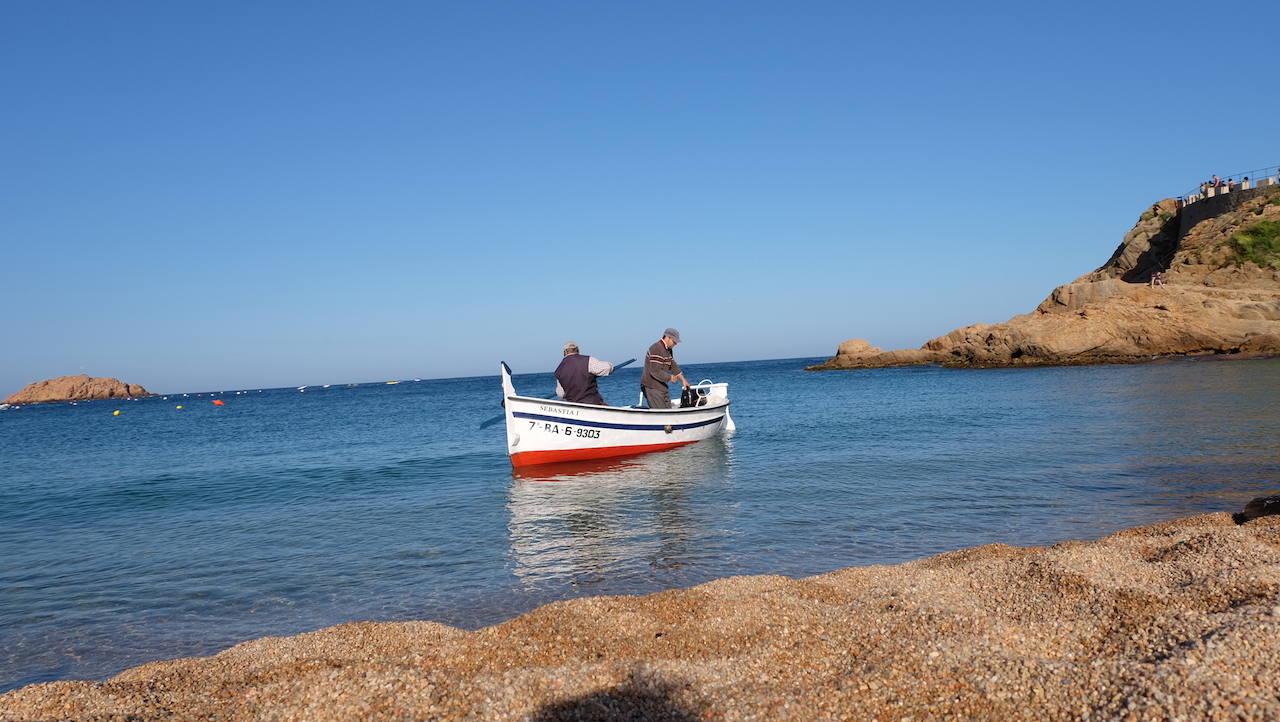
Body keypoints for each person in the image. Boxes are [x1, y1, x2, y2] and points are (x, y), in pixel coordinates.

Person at [640, 328, 689, 409]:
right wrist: (670, 377)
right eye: (674, 341)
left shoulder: (668, 350)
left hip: (662, 387)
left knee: (668, 411)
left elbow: (672, 365)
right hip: (652, 387)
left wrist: (683, 380)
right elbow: (655, 371)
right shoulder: (656, 349)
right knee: (661, 414)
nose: (676, 343)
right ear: (667, 337)